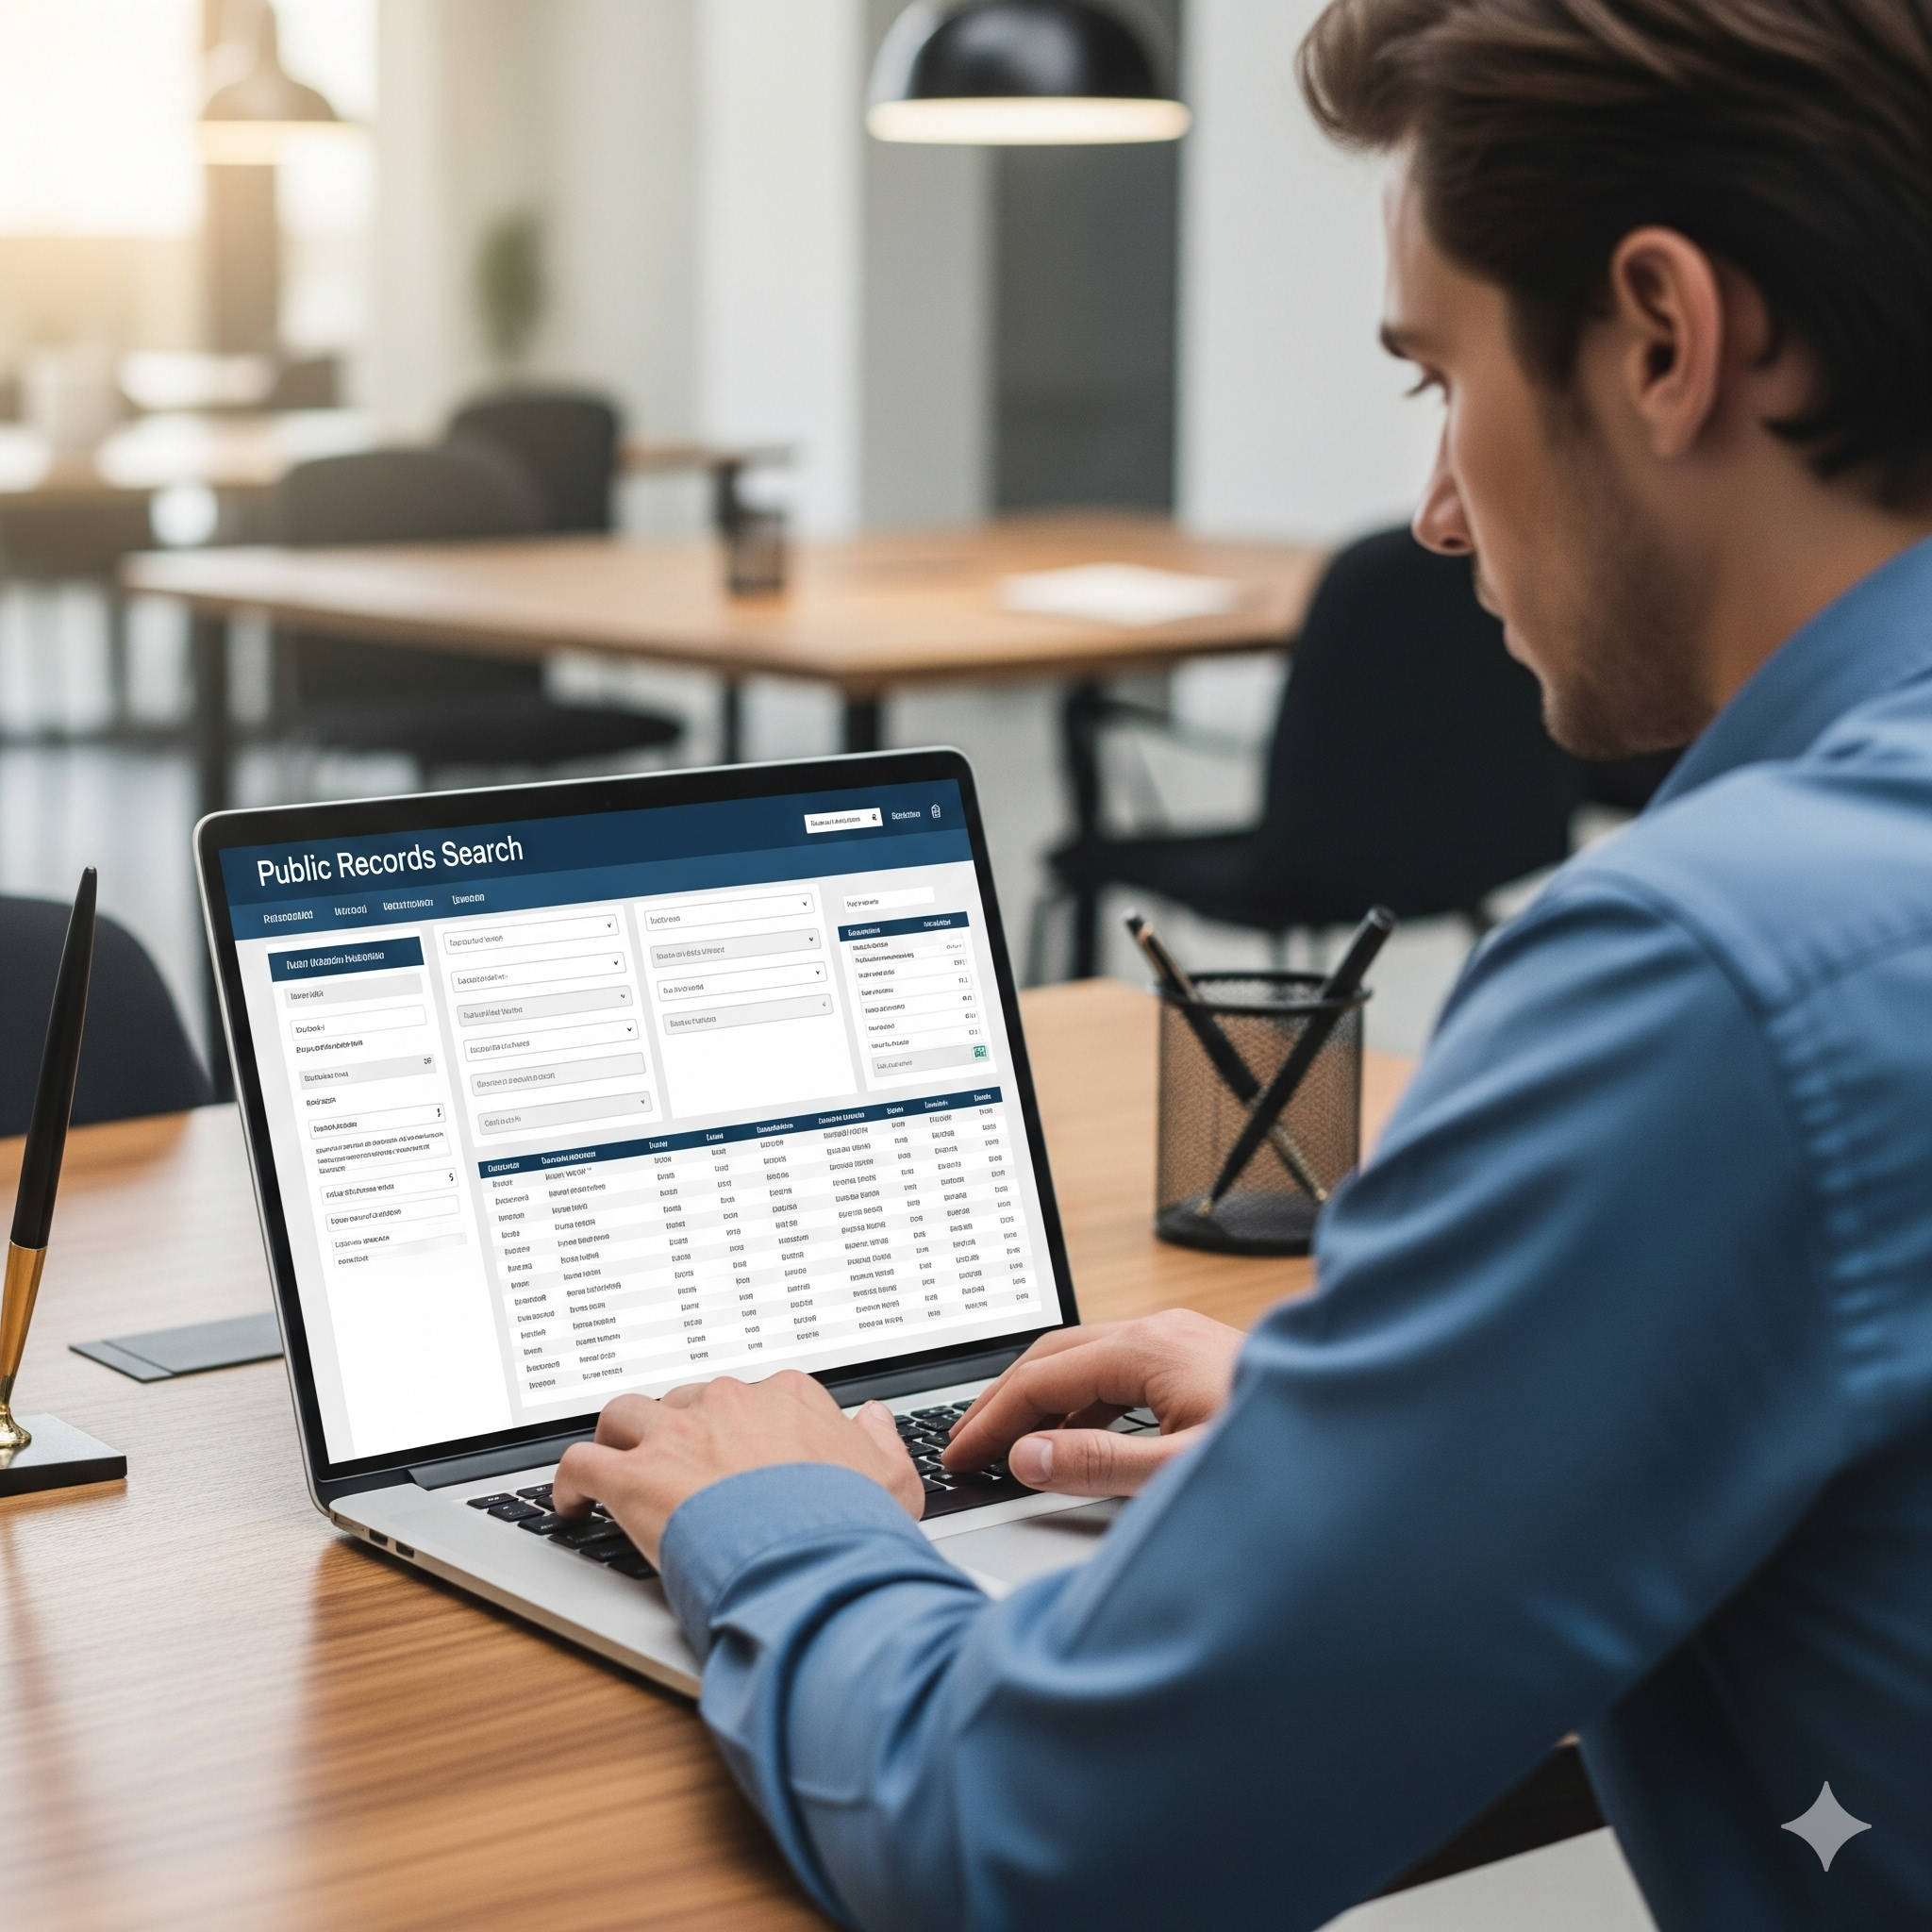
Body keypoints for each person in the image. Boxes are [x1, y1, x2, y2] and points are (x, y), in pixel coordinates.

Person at [553, 0, 1932, 1923]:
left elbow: (1030, 1844)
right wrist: (1389, 1421)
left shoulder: (1716, 972)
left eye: (1435, 380)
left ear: (1660, 335)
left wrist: (771, 1512)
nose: (1438, 510)